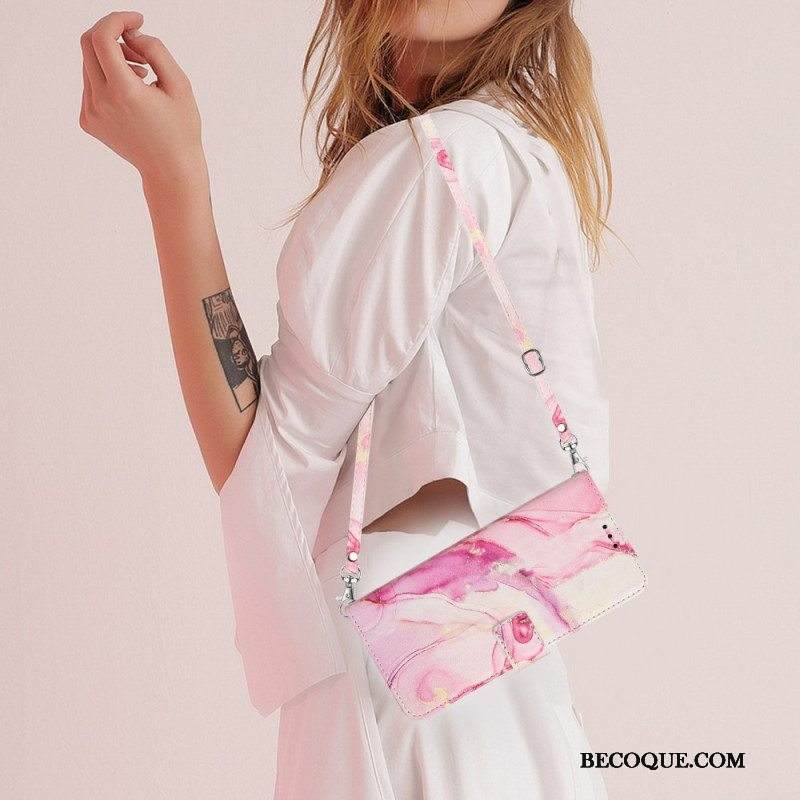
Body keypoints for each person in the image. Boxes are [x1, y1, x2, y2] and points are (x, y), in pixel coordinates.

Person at [80, 3, 613, 797]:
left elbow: (261, 460)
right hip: (500, 658)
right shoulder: (517, 148)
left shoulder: (443, 155)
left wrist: (172, 173)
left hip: (409, 652)